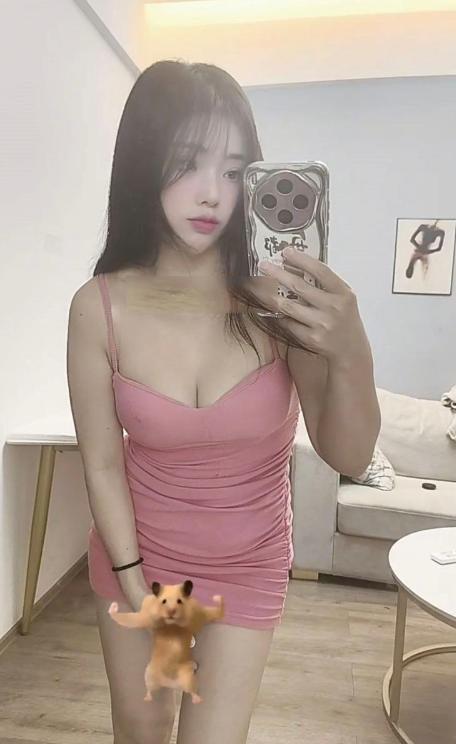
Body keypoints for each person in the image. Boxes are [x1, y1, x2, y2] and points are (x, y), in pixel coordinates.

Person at [66, 60, 380, 744]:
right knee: (142, 731)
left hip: (248, 564)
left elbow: (349, 453)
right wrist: (133, 582)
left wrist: (350, 346)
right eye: (187, 163)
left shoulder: (278, 301)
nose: (212, 192)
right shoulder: (100, 308)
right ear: (143, 164)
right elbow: (101, 463)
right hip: (140, 559)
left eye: (235, 170)